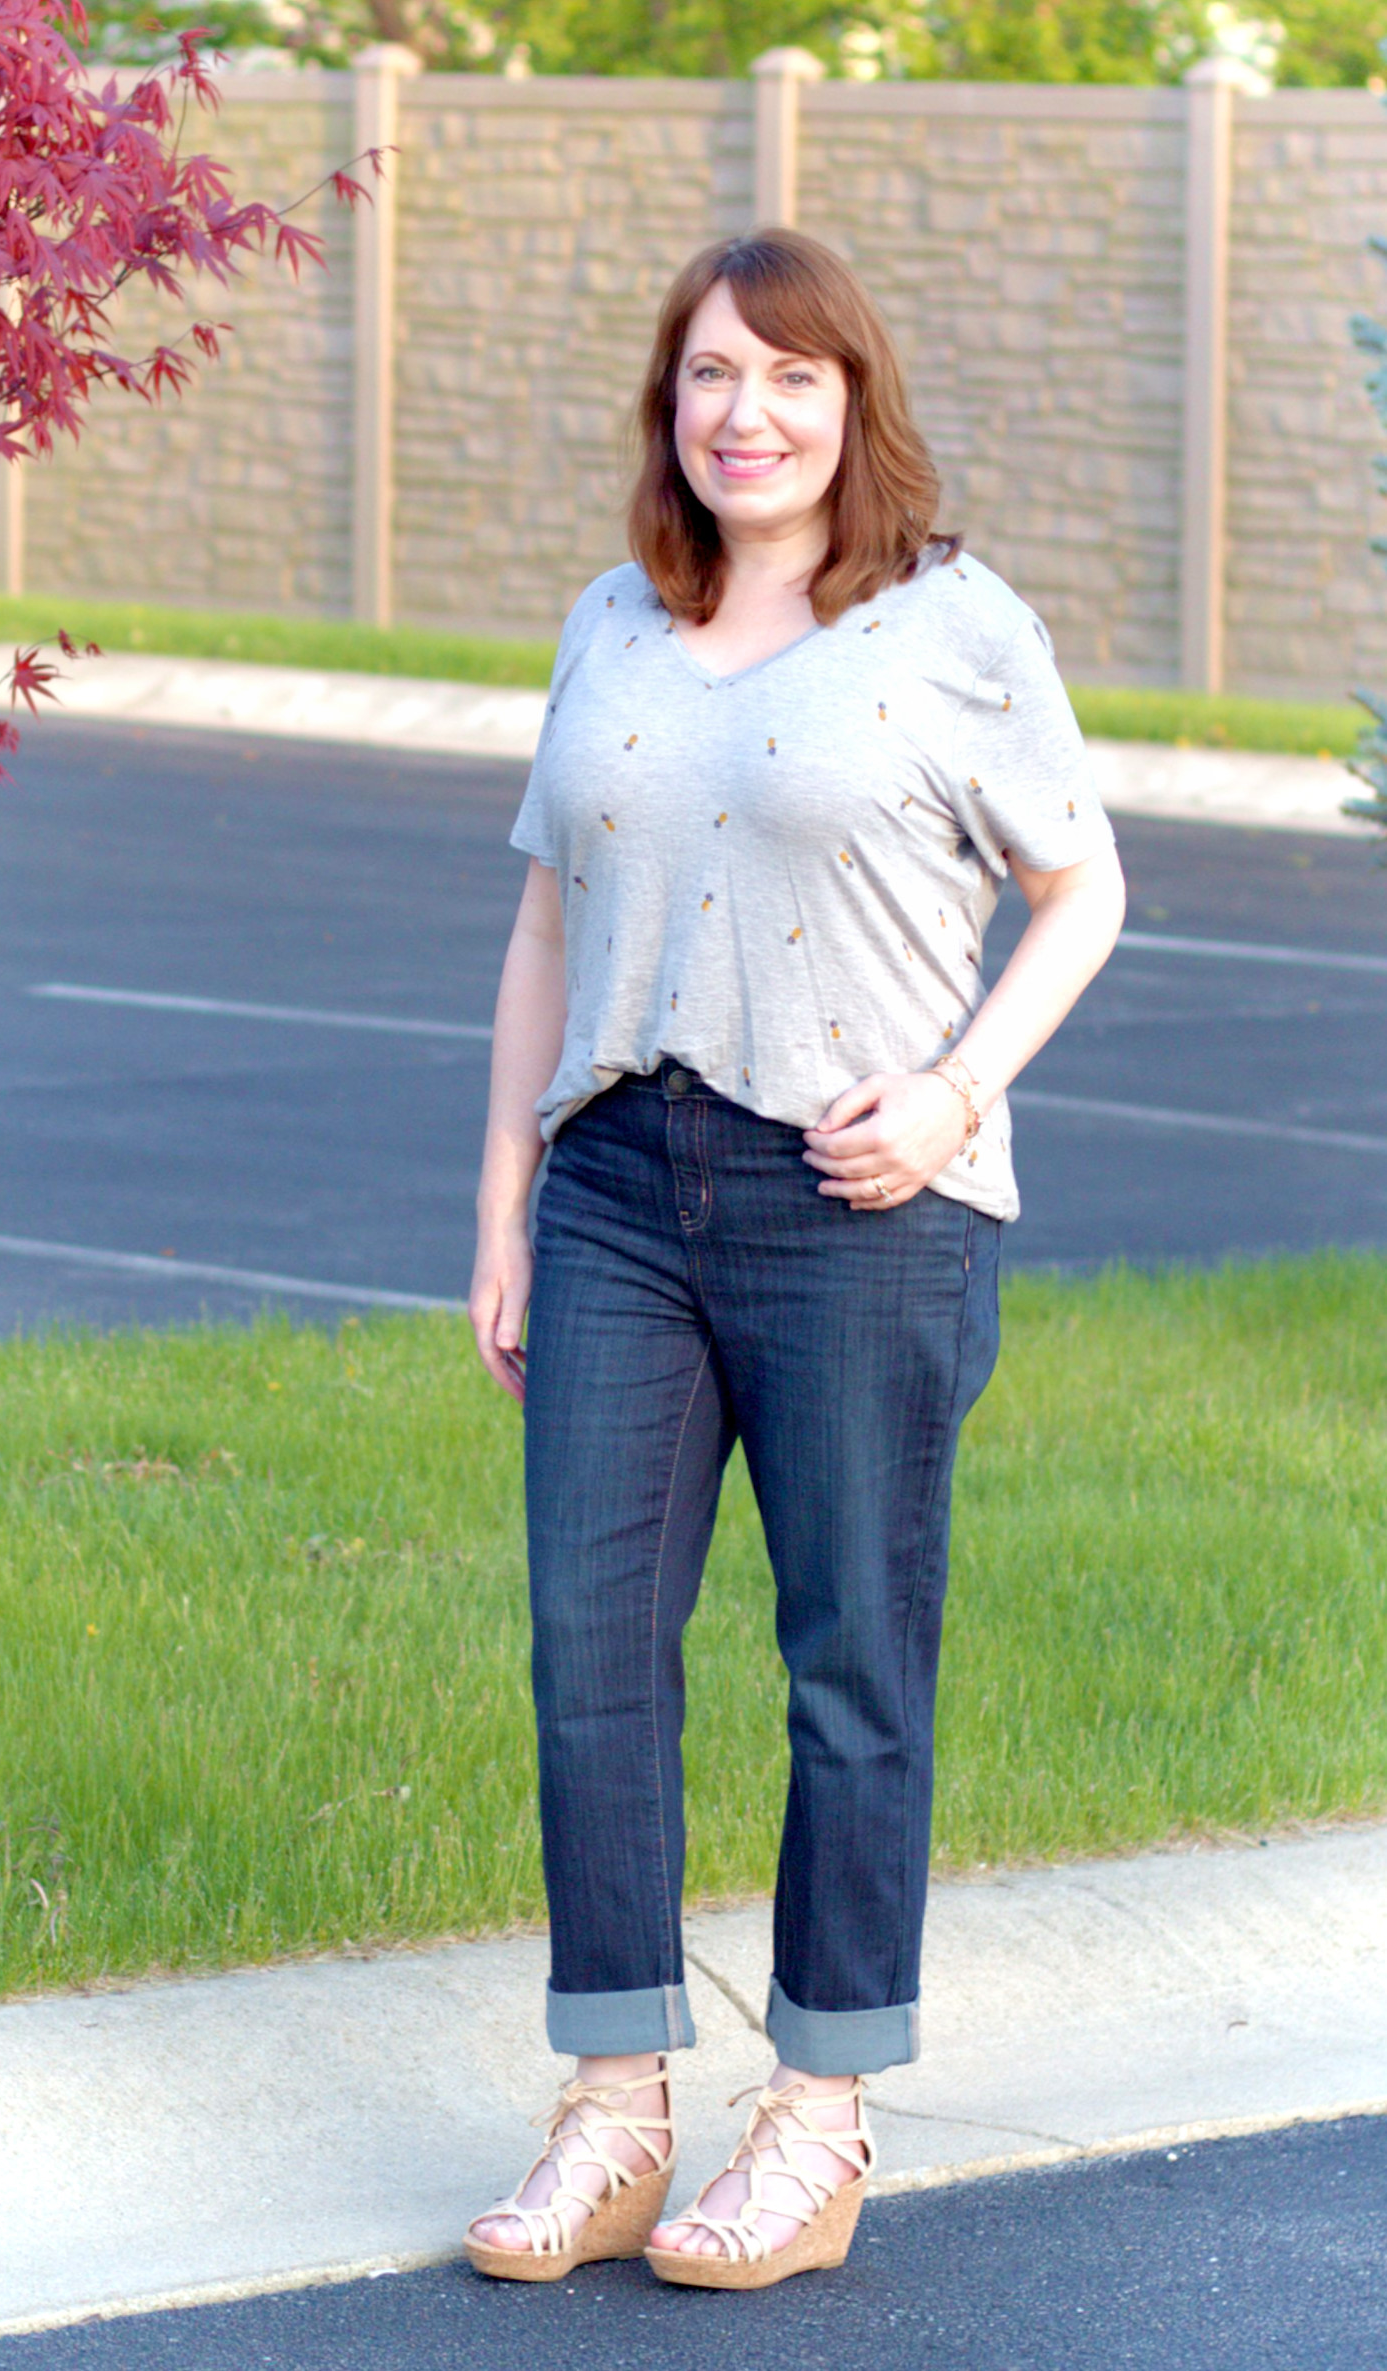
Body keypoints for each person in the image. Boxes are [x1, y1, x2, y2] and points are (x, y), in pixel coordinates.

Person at [463, 228, 1125, 2293]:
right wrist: (498, 1201)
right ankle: (616, 2106)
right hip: (615, 1191)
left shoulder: (954, 623)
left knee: (847, 1666)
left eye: (790, 378)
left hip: (859, 1203)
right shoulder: (614, 620)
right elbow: (550, 927)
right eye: (709, 376)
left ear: (856, 405)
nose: (745, 413)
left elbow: (1081, 884)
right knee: (592, 1654)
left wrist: (954, 1092)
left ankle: (822, 2114)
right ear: (670, 408)